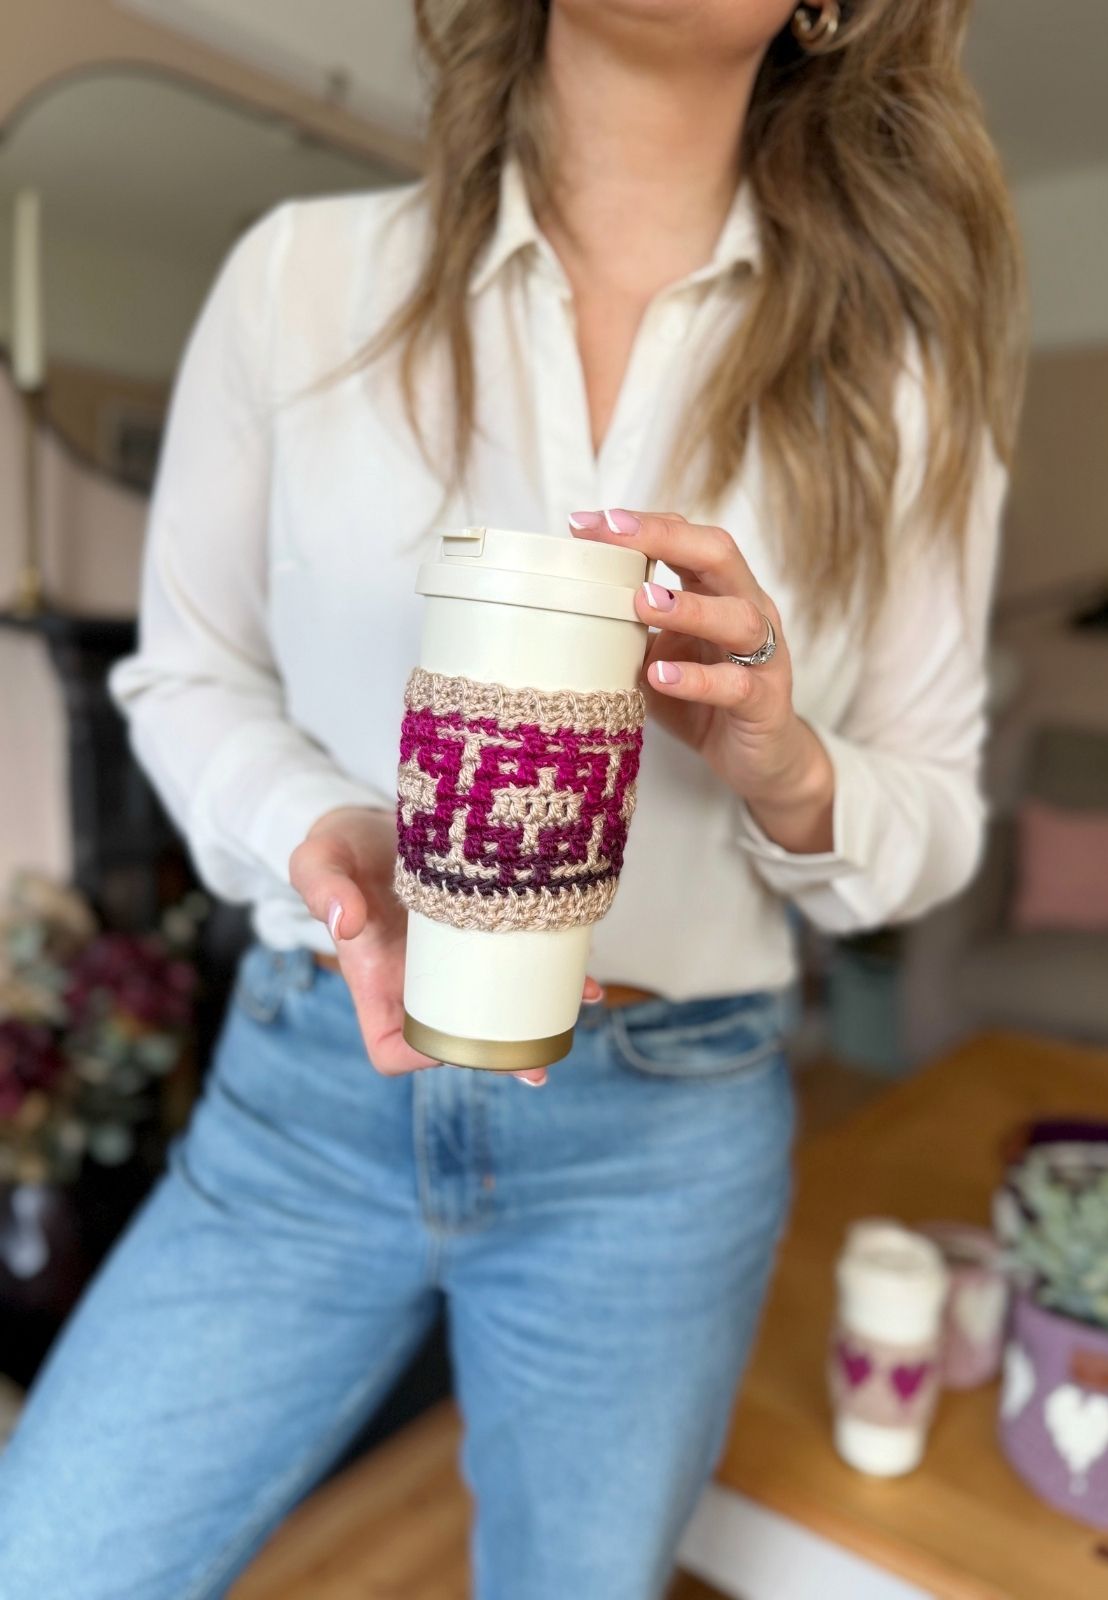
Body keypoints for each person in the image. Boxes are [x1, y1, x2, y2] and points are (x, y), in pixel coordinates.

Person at [0, 2, 1025, 1596]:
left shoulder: (898, 376)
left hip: (663, 1135)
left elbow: (936, 819)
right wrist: (322, 833)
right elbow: (183, 679)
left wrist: (789, 764)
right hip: (311, 1089)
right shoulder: (300, 279)